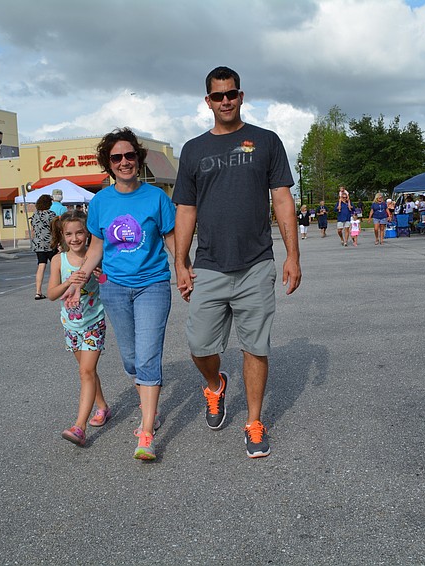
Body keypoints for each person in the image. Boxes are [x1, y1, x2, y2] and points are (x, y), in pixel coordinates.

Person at [172, 66, 301, 459]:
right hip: (209, 264)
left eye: (231, 94)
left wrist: (293, 255)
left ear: (241, 96)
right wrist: (181, 262)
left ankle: (254, 422)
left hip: (256, 263)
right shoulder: (193, 150)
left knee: (255, 347)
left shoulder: (265, 141)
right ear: (208, 101)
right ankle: (215, 385)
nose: (225, 101)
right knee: (198, 345)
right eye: (218, 95)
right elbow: (186, 209)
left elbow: (282, 198)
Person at [65, 128, 176, 460]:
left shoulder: (157, 197)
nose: (124, 162)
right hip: (113, 287)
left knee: (148, 355)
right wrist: (79, 278)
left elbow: (171, 238)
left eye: (129, 155)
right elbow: (96, 247)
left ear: (138, 159)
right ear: (109, 163)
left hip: (153, 283)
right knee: (130, 358)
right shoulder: (101, 201)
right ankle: (150, 409)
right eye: (117, 157)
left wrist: (183, 268)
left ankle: (146, 432)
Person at [47, 210, 109, 448]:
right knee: (87, 372)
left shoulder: (95, 256)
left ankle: (79, 427)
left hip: (94, 322)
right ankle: (102, 407)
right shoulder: (58, 260)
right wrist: (68, 282)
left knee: (86, 371)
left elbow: (106, 283)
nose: (75, 239)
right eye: (69, 234)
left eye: (80, 233)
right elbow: (51, 294)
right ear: (63, 235)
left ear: (88, 233)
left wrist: (101, 275)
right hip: (71, 326)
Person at [30, 194, 57, 300]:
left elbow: (33, 229)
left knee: (41, 265)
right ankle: (57, 288)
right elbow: (55, 229)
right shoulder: (51, 214)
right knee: (56, 265)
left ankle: (38, 291)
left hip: (38, 244)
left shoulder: (35, 215)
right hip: (50, 243)